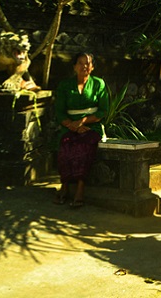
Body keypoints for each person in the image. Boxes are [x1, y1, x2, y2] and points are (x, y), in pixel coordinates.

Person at [53, 52, 109, 207]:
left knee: (84, 146)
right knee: (66, 143)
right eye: (80, 62)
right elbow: (59, 112)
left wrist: (83, 121)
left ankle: (80, 188)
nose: (84, 66)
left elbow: (102, 111)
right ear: (74, 66)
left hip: (91, 126)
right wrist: (72, 125)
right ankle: (64, 186)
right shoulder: (65, 85)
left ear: (92, 67)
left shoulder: (99, 84)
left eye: (87, 63)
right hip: (69, 126)